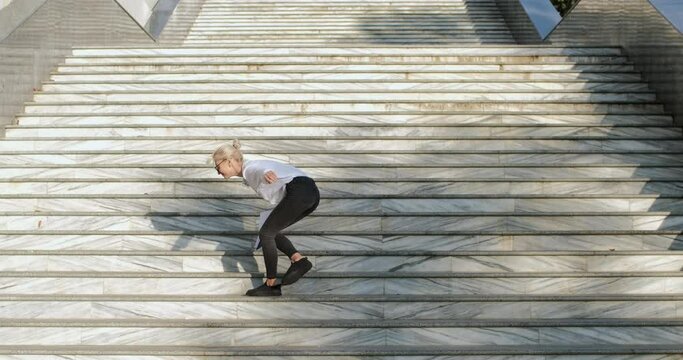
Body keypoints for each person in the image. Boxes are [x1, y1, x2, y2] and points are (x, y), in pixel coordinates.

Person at [211, 139, 319, 296]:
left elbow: (262, 170)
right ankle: (299, 260)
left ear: (228, 161)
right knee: (270, 230)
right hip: (310, 194)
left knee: (266, 234)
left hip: (300, 192)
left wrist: (266, 173)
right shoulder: (249, 169)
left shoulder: (250, 168)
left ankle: (271, 284)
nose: (218, 171)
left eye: (217, 166)